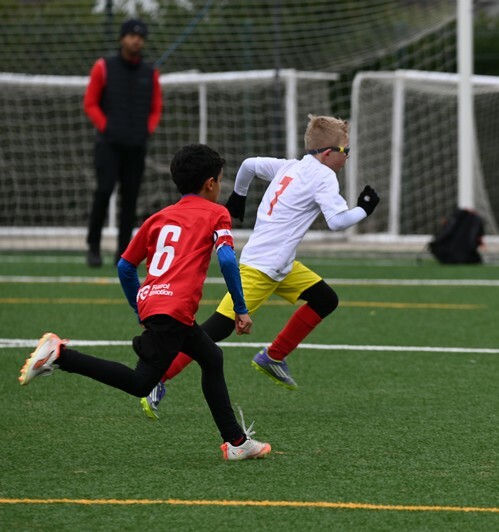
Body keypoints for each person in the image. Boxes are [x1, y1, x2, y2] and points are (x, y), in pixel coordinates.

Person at [19, 144, 271, 461]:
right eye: (220, 181)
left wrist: (140, 307)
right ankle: (61, 355)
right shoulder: (217, 213)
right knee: (141, 383)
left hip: (161, 305)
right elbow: (228, 261)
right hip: (174, 309)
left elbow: (125, 266)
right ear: (210, 183)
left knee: (211, 357)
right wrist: (241, 308)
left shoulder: (158, 218)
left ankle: (236, 442)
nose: (220, 187)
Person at [139, 114, 380, 419]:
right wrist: (364, 208)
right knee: (214, 330)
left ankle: (273, 356)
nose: (348, 157)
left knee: (325, 299)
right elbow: (337, 221)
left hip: (279, 264)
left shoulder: (290, 166)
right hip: (263, 268)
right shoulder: (323, 176)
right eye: (346, 151)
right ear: (328, 153)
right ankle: (157, 378)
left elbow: (249, 164)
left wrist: (238, 196)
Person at [84, 18, 163, 267]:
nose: (136, 40)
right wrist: (107, 127)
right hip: (108, 145)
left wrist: (147, 129)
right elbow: (90, 103)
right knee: (103, 191)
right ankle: (93, 247)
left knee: (130, 199)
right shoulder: (103, 67)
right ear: (122, 38)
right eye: (131, 36)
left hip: (136, 147)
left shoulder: (150, 73)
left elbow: (156, 108)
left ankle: (123, 252)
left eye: (140, 37)